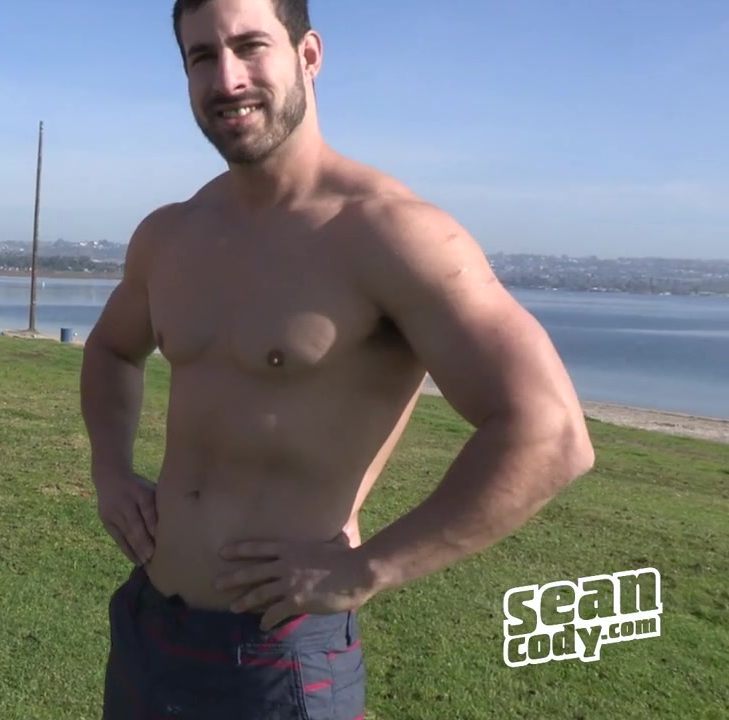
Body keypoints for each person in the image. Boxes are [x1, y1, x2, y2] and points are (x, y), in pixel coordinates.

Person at [79, 0, 596, 717]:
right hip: (148, 626)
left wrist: (367, 570)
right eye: (201, 56)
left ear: (309, 55)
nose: (226, 79)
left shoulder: (391, 235)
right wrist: (110, 470)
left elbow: (551, 432)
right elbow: (111, 350)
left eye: (250, 46)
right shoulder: (170, 235)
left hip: (278, 655)